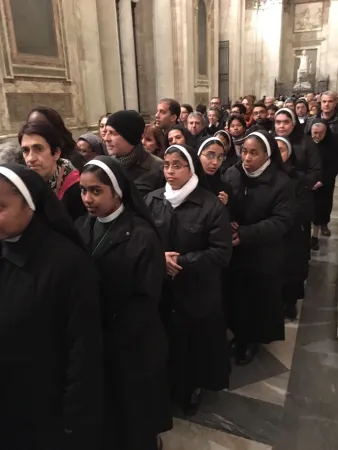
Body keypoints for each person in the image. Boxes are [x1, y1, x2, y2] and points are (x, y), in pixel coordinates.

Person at [0, 163, 102, 450]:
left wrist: (76, 415)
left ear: (30, 206)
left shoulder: (68, 263)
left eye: (1, 207)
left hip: (42, 402)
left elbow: (82, 348)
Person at [77, 156, 172, 450]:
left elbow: (146, 298)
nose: (87, 199)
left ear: (117, 191)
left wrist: (111, 335)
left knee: (136, 408)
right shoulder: (82, 226)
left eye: (96, 191)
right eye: (83, 191)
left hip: (132, 340)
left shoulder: (141, 235)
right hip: (98, 336)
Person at [145, 144, 232, 416]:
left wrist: (180, 262)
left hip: (197, 290)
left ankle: (194, 387)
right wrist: (159, 259)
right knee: (168, 340)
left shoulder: (210, 206)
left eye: (177, 165)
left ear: (191, 168)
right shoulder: (153, 200)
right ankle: (171, 385)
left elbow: (220, 253)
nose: (169, 171)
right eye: (166, 165)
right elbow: (140, 239)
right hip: (162, 289)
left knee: (195, 343)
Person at [224, 131, 295, 365]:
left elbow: (281, 220)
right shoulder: (233, 173)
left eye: (254, 153)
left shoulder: (281, 183)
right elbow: (224, 203)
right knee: (237, 295)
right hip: (235, 250)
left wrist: (245, 233)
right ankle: (238, 334)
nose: (247, 158)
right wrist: (228, 218)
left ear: (267, 155)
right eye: (244, 151)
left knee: (258, 299)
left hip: (263, 252)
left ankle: (251, 340)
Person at [274, 108, 321, 269]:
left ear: (293, 123)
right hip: (276, 199)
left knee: (297, 245)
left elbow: (316, 171)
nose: (281, 126)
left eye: (286, 122)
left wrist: (299, 179)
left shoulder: (305, 142)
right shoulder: (272, 141)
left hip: (300, 199)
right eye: (278, 122)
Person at [19, 121, 86, 220]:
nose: (30, 159)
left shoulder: (77, 190)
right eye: (25, 150)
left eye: (38, 149)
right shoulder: (23, 185)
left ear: (56, 153)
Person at [276, 136, 311, 320]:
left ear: (289, 153)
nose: (277, 153)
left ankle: (289, 303)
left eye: (281, 149)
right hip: (271, 233)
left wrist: (281, 217)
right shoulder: (265, 175)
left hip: (291, 232)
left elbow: (303, 208)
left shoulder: (299, 178)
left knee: (290, 271)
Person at [104, 110, 164, 196]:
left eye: (113, 133)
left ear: (129, 136)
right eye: (106, 132)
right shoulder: (107, 166)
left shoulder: (158, 168)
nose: (106, 138)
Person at [309, 119, 338, 247]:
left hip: (325, 181)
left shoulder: (333, 143)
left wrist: (322, 180)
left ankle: (318, 231)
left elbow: (334, 165)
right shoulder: (306, 142)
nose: (317, 136)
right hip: (308, 182)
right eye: (314, 133)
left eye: (321, 133)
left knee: (322, 207)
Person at [197, 137, 231, 205]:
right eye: (210, 155)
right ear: (198, 155)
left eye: (220, 157)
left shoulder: (224, 190)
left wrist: (224, 206)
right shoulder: (187, 184)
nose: (215, 162)